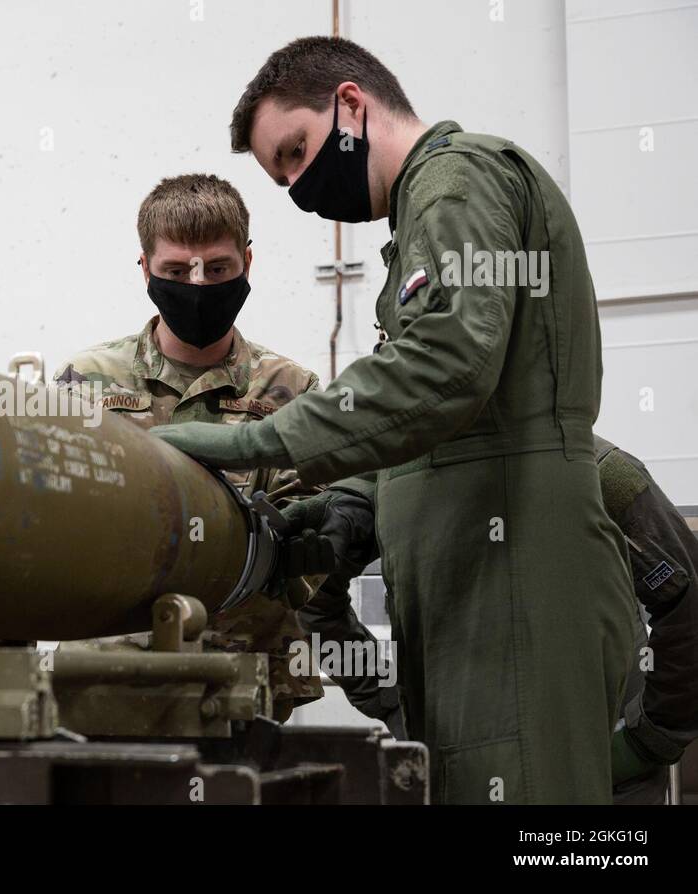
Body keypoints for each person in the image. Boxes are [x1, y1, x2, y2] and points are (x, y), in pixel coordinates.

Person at [150, 36, 638, 803]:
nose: (300, 185)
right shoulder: (420, 215)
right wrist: (357, 504)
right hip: (474, 582)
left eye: (298, 151)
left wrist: (257, 441)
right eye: (281, 175)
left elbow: (449, 364)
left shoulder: (454, 184)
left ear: (351, 105)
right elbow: (449, 419)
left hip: (511, 583)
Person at [292, 436, 696, 805]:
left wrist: (647, 739)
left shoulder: (599, 472)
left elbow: (687, 604)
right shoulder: (390, 483)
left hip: (598, 774)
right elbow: (314, 595)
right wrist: (385, 696)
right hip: (462, 770)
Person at [53, 173, 323, 721]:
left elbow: (311, 544)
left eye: (218, 268)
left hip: (246, 676)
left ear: (248, 263)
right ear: (145, 269)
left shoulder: (292, 391)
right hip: (110, 671)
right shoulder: (86, 382)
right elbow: (53, 518)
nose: (198, 286)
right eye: (176, 271)